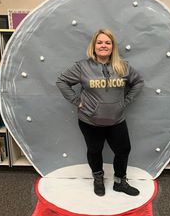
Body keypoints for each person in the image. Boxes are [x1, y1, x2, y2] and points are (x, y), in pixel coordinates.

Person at [56, 29, 144, 197]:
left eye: (107, 42)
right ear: (94, 46)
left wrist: (125, 102)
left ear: (112, 46)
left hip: (117, 119)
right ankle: (98, 179)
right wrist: (77, 101)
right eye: (100, 42)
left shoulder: (123, 66)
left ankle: (120, 182)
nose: (103, 45)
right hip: (90, 120)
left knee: (123, 149)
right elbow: (62, 81)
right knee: (95, 150)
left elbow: (138, 82)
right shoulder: (82, 66)